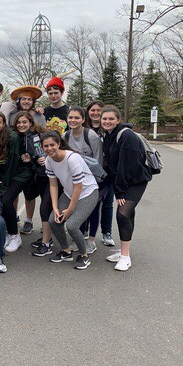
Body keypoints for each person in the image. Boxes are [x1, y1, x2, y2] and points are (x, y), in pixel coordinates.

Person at [101, 105, 152, 271]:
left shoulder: (126, 136)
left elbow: (126, 166)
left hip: (136, 181)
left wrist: (120, 191)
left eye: (111, 119)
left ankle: (125, 257)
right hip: (124, 180)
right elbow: (111, 165)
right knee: (128, 214)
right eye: (104, 119)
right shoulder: (108, 136)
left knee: (123, 214)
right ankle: (124, 251)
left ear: (118, 120)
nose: (107, 121)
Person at [42, 131, 99, 270]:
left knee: (72, 225)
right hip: (68, 193)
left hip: (87, 193)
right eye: (45, 146)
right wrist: (55, 208)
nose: (49, 148)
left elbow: (78, 188)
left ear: (59, 144)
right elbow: (53, 184)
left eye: (52, 145)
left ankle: (84, 255)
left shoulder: (72, 158)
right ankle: (66, 251)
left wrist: (70, 210)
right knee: (53, 221)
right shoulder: (49, 160)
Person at [64, 106, 104, 253]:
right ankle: (79, 238)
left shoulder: (91, 135)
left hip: (93, 179)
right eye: (70, 118)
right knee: (78, 210)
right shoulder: (66, 136)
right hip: (76, 180)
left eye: (76, 118)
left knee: (93, 210)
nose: (73, 120)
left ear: (83, 119)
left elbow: (98, 160)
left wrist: (95, 181)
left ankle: (91, 240)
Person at [0, 112, 31, 243]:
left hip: (20, 174)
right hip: (4, 174)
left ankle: (15, 235)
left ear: (4, 124)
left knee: (6, 201)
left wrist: (4, 184)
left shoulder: (13, 138)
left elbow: (12, 162)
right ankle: (7, 231)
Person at [12, 111, 52, 254]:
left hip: (47, 176)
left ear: (30, 122)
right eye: (19, 122)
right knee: (35, 200)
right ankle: (47, 239)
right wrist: (31, 160)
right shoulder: (20, 136)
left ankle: (47, 242)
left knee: (46, 207)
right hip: (34, 174)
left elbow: (51, 148)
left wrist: (46, 158)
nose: (21, 125)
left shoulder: (39, 134)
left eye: (24, 122)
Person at [85, 100, 115, 247]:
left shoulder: (108, 128)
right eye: (93, 110)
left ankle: (106, 232)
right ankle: (84, 231)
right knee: (88, 203)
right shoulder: (84, 129)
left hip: (107, 172)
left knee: (107, 203)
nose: (95, 113)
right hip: (89, 172)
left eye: (99, 110)